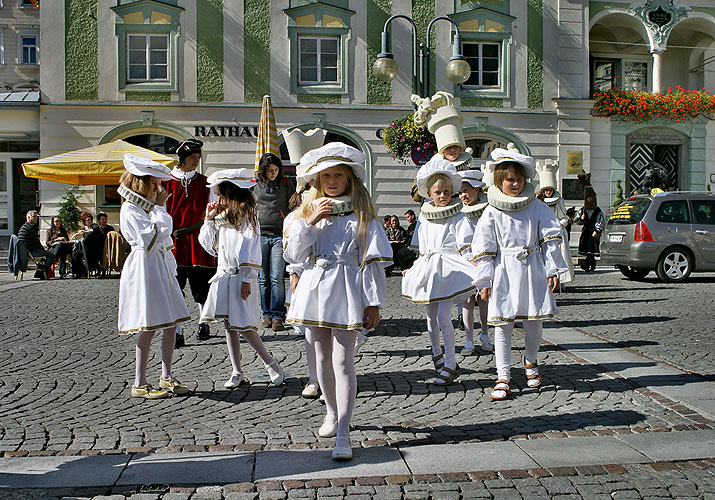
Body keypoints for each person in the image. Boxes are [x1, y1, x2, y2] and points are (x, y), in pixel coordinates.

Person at [284, 143, 392, 461]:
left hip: (348, 287)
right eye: (326, 175)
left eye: (338, 175)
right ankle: (331, 412)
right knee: (320, 359)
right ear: (318, 178)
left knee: (343, 361)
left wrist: (373, 302)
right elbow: (293, 255)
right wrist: (310, 221)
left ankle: (344, 430)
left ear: (349, 179)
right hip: (316, 288)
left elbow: (372, 261)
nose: (331, 180)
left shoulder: (363, 215)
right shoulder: (310, 211)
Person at [472, 147, 567, 401]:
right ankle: (502, 375)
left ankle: (531, 360)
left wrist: (552, 268)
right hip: (504, 271)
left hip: (532, 268)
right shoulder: (492, 211)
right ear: (499, 180)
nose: (515, 184)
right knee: (503, 325)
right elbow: (484, 247)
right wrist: (484, 279)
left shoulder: (536, 206)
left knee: (534, 320)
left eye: (519, 179)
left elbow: (550, 237)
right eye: (510, 179)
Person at [198, 169, 285, 389]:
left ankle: (270, 363)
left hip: (240, 275)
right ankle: (236, 371)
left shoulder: (247, 214)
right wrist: (208, 220)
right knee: (229, 324)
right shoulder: (219, 216)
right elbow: (208, 246)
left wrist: (247, 277)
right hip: (224, 275)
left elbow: (250, 246)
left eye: (219, 194)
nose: (217, 198)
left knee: (245, 325)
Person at [117, 154, 191, 399]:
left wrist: (158, 210)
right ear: (140, 184)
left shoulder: (144, 209)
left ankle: (166, 376)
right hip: (145, 267)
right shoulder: (131, 209)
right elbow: (151, 237)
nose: (158, 190)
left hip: (158, 264)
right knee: (148, 324)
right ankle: (139, 382)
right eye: (154, 184)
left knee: (171, 323)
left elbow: (163, 236)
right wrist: (159, 208)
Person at [401, 157, 477, 386]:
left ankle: (452, 364)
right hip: (430, 267)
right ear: (429, 194)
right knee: (430, 317)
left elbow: (465, 244)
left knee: (444, 315)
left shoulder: (458, 215)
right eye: (438, 192)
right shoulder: (424, 216)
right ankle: (437, 355)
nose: (442, 196)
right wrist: (413, 269)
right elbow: (422, 249)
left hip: (450, 267)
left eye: (446, 191)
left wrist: (473, 263)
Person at [165, 139, 216, 346]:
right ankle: (177, 330)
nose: (196, 161)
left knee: (201, 285)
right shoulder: (166, 182)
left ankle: (204, 321)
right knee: (175, 287)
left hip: (198, 240)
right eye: (192, 158)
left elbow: (212, 209)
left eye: (198, 158)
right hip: (175, 241)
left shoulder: (205, 183)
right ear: (182, 159)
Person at [456, 169, 492, 354]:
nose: (463, 195)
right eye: (461, 192)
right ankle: (469, 338)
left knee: (483, 298)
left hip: (483, 260)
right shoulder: (460, 213)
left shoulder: (487, 211)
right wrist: (469, 259)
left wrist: (483, 261)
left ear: (477, 190)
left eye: (466, 191)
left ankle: (485, 333)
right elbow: (461, 241)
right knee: (467, 300)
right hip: (467, 263)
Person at [255, 152, 291, 332]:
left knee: (277, 276)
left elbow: (293, 206)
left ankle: (278, 315)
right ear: (263, 170)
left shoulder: (285, 184)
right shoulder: (254, 185)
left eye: (276, 170)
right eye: (270, 170)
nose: (273, 173)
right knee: (263, 278)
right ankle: (266, 314)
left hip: (279, 235)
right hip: (260, 234)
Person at [536, 161, 574, 284]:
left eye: (550, 190)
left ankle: (562, 279)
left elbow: (564, 217)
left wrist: (561, 224)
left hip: (558, 231)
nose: (548, 192)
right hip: (543, 232)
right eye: (546, 190)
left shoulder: (559, 200)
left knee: (560, 255)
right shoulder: (539, 201)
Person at [17, 210, 60, 277]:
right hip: (29, 251)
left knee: (45, 255)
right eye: (34, 217)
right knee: (50, 255)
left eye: (37, 217)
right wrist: (43, 250)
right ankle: (43, 273)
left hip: (25, 251)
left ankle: (38, 273)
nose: (36, 219)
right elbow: (36, 242)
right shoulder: (30, 227)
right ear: (28, 217)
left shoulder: (24, 227)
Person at [578, 188, 605, 272]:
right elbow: (578, 221)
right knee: (588, 249)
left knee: (592, 249)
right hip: (586, 231)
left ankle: (586, 265)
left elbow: (600, 221)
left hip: (593, 231)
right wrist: (582, 219)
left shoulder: (597, 210)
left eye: (591, 198)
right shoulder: (583, 210)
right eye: (588, 198)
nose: (589, 199)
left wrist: (597, 230)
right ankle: (593, 265)